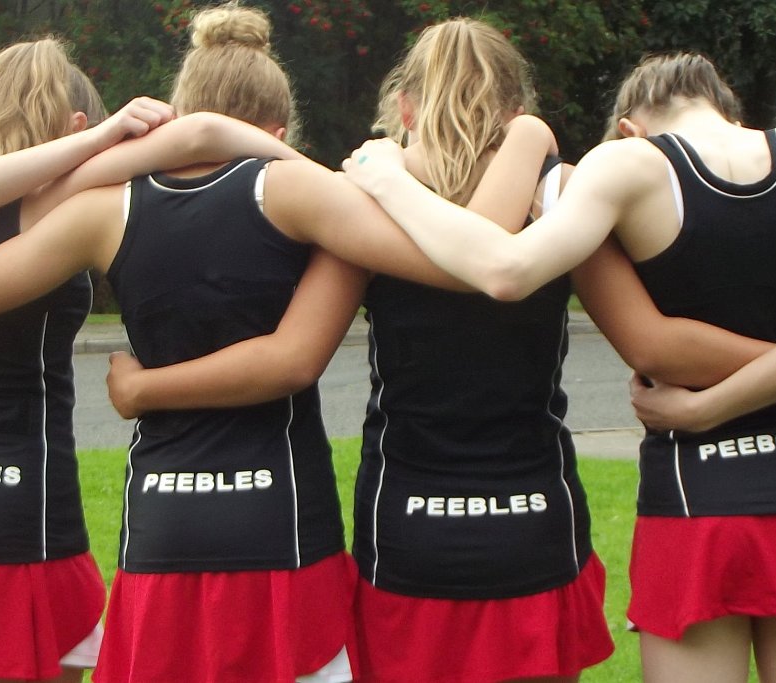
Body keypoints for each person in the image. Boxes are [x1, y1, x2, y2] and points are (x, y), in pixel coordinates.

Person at [0, 6, 532, 679]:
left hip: (161, 522)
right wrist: (493, 149)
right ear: (274, 129)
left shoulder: (102, 209)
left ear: (174, 109)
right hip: (281, 520)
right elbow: (458, 267)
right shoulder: (302, 192)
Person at [343, 48, 776, 681]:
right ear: (728, 107)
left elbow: (512, 270)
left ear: (627, 126)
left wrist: (384, 178)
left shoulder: (626, 167)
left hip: (690, 493)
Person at [113, 18, 610, 683]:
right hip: (535, 515)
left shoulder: (370, 202)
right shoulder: (562, 192)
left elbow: (291, 354)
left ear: (404, 107)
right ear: (515, 105)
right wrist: (531, 139)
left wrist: (143, 386)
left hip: (404, 522)